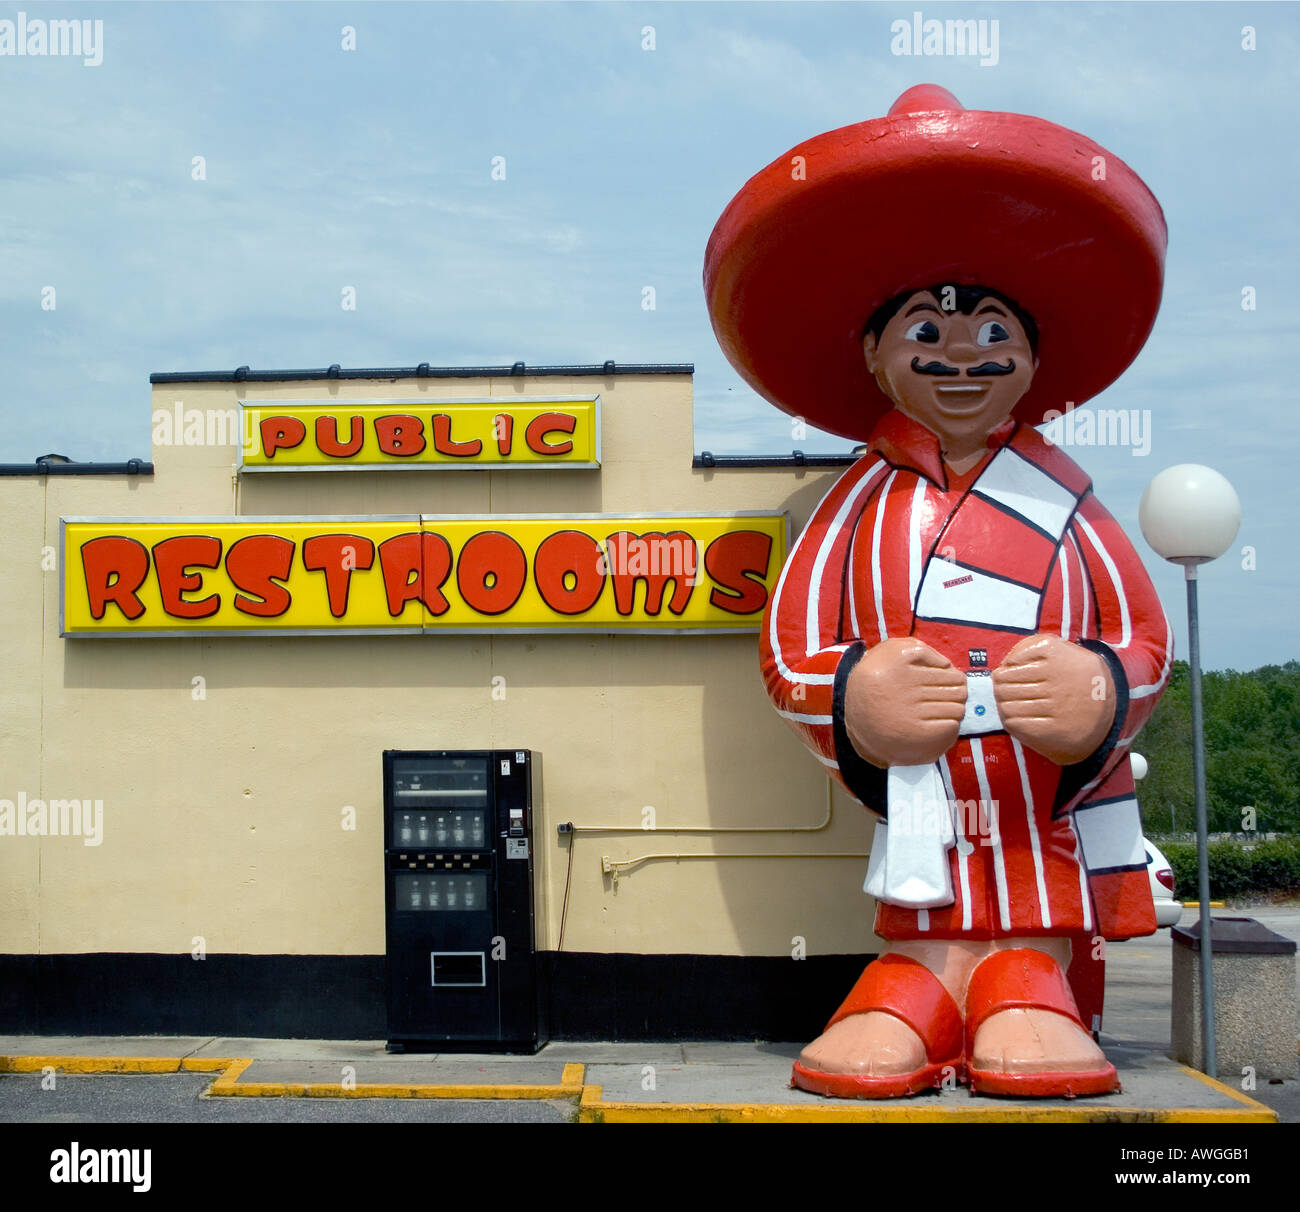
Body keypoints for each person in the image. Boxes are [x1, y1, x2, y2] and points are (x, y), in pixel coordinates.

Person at [704, 85, 1172, 1098]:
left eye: (992, 331)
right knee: (922, 873)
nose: (962, 353)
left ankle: (1025, 978)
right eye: (926, 333)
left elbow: (1142, 636)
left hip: (1037, 802)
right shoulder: (851, 505)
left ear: (1034, 358)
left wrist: (1098, 690)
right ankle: (915, 983)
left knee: (1023, 880)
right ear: (875, 356)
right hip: (916, 790)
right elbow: (788, 648)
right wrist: (852, 699)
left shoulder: (1069, 502)